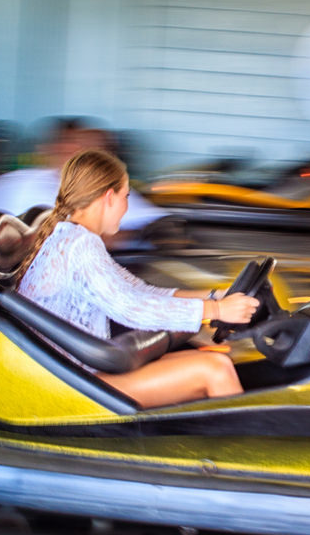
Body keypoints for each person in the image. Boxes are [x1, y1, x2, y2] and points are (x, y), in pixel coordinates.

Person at [15, 149, 260, 407]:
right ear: (109, 197)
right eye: (126, 196)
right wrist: (216, 309)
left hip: (74, 374)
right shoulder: (80, 245)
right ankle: (244, 447)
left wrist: (212, 297)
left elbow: (139, 292)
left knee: (214, 359)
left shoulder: (70, 238)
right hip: (73, 385)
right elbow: (129, 308)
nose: (126, 206)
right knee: (216, 370)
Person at [0, 117, 167, 231]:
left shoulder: (114, 189)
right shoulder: (15, 187)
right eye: (70, 147)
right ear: (49, 149)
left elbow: (152, 223)